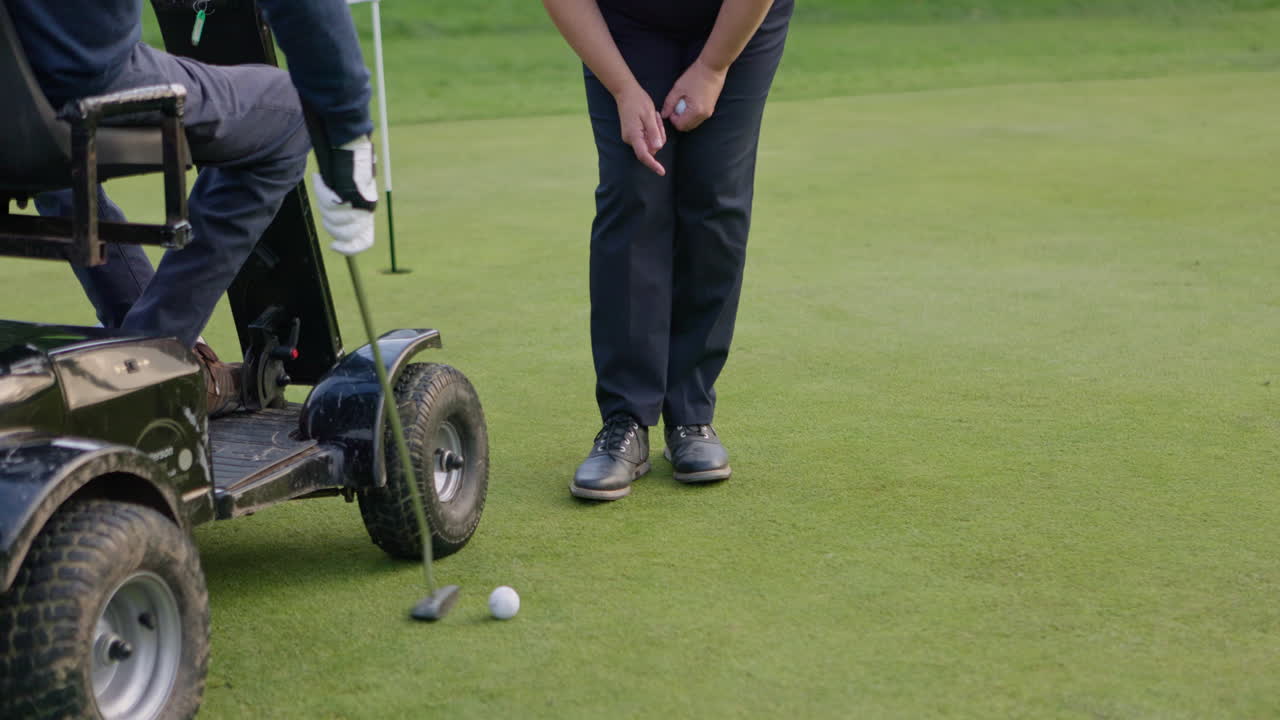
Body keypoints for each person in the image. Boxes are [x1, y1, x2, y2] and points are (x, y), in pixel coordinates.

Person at [5, 0, 378, 415]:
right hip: (80, 86)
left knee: (35, 149)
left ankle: (140, 339)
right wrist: (347, 130)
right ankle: (148, 365)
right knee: (289, 114)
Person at [541, 0, 792, 500]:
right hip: (627, 19)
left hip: (736, 17)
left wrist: (713, 67)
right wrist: (622, 87)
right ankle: (625, 421)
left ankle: (691, 417)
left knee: (715, 197)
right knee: (634, 192)